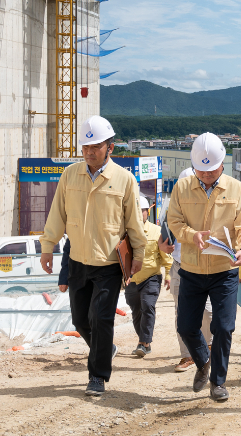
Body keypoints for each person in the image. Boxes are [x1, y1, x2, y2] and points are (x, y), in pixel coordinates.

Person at [39, 115, 147, 396]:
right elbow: (57, 214)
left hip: (109, 263)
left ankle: (97, 376)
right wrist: (47, 246)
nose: (89, 152)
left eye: (95, 147)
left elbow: (134, 223)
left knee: (101, 318)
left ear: (110, 147)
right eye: (85, 147)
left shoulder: (124, 180)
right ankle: (105, 349)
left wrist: (139, 255)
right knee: (79, 320)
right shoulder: (70, 174)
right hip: (77, 260)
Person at [168, 132, 241, 401]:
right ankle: (203, 360)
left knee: (224, 327)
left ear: (222, 165)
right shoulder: (181, 188)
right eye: (201, 170)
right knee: (186, 326)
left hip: (224, 271)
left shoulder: (236, 189)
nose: (206, 175)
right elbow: (174, 221)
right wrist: (189, 235)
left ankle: (218, 382)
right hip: (192, 270)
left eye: (211, 170)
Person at [168, 168, 214, 372]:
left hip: (206, 266)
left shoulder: (208, 206)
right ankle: (187, 355)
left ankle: (207, 347)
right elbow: (163, 236)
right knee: (181, 313)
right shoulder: (169, 207)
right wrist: (164, 247)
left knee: (208, 312)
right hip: (179, 265)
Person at [124, 196, 174, 357]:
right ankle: (144, 341)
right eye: (136, 212)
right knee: (136, 310)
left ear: (148, 211)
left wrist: (168, 274)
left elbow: (165, 254)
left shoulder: (157, 231)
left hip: (151, 277)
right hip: (131, 279)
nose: (139, 215)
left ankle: (144, 342)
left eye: (142, 211)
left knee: (148, 306)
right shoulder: (125, 233)